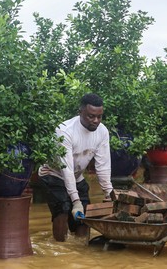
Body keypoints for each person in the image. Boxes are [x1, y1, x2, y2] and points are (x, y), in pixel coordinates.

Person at [38, 93, 114, 242]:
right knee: (63, 209)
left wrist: (108, 193)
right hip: (53, 174)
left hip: (77, 176)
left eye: (99, 117)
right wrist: (75, 201)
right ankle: (59, 250)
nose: (96, 121)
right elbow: (66, 169)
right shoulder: (64, 131)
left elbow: (103, 166)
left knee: (84, 215)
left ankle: (80, 250)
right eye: (91, 116)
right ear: (81, 112)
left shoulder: (102, 131)